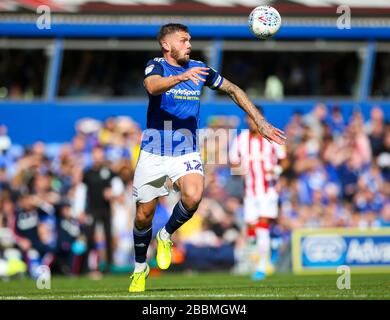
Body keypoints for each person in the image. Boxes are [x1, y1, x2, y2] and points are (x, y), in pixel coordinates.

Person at [129, 23, 286, 292]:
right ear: (167, 45)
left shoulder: (200, 69)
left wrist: (259, 121)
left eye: (190, 40)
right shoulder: (156, 65)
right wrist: (181, 77)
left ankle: (166, 235)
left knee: (193, 195)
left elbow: (234, 89)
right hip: (154, 148)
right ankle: (140, 268)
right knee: (144, 215)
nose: (189, 44)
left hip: (185, 147)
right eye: (183, 40)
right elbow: (152, 87)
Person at [229, 110, 287, 280]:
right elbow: (233, 162)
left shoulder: (271, 136)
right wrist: (240, 170)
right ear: (247, 119)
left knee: (262, 226)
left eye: (255, 118)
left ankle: (262, 266)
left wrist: (276, 169)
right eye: (250, 118)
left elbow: (284, 158)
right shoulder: (240, 140)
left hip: (268, 190)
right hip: (250, 192)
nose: (252, 121)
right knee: (252, 230)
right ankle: (271, 247)